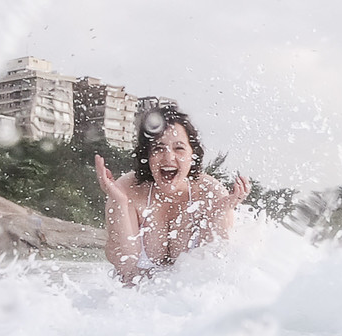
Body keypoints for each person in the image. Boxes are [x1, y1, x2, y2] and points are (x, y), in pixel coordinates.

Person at [94, 106, 251, 283]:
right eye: (159, 148)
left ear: (193, 155)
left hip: (189, 302)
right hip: (136, 300)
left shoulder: (210, 192)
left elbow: (212, 272)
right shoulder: (126, 189)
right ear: (147, 154)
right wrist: (119, 202)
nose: (168, 157)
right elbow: (126, 267)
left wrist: (219, 211)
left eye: (179, 148)